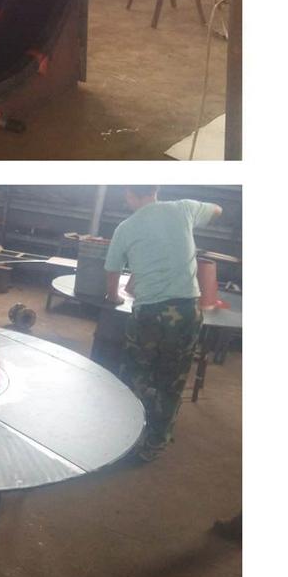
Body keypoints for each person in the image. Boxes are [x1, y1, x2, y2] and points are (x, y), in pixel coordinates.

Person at [105, 187, 223, 460]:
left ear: (129, 195)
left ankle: (127, 438)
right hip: (186, 312)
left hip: (149, 313)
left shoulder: (126, 227)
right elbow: (218, 210)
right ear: (156, 190)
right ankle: (155, 443)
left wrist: (114, 296)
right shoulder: (184, 208)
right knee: (171, 380)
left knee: (136, 376)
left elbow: (112, 269)